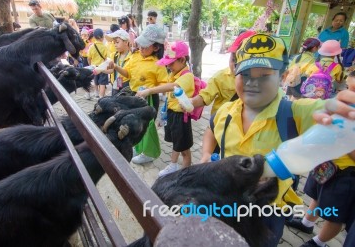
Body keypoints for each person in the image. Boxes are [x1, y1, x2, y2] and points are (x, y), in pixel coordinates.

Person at [201, 33, 355, 247]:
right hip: (224, 203)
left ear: (282, 77)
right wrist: (207, 154)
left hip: (268, 212)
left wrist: (342, 113)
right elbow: (210, 130)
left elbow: (332, 113)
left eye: (264, 75)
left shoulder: (295, 113)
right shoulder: (226, 110)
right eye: (245, 73)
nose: (252, 82)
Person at [109, 24, 168, 164]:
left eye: (145, 46)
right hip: (134, 95)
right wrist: (116, 67)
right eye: (140, 44)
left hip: (149, 98)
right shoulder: (135, 57)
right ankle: (138, 147)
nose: (141, 48)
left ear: (156, 47)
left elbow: (165, 85)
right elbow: (128, 74)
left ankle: (149, 152)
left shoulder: (158, 64)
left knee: (147, 126)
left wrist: (149, 90)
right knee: (135, 123)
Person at [136, 41, 194, 176]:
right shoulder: (174, 73)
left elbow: (172, 87)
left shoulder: (187, 76)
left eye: (171, 63)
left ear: (182, 59)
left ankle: (184, 173)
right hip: (172, 113)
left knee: (184, 148)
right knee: (177, 143)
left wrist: (150, 91)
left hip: (181, 117)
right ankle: (174, 166)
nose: (168, 66)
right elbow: (168, 92)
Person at [191, 30, 256, 116]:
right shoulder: (220, 77)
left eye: (242, 61)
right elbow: (205, 96)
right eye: (233, 59)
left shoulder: (259, 83)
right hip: (220, 123)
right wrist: (190, 102)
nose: (235, 66)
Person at [103, 29, 132, 95]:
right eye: (114, 42)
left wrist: (116, 66)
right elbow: (111, 70)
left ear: (126, 42)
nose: (115, 45)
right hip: (115, 85)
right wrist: (101, 69)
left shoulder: (132, 57)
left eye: (117, 42)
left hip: (127, 87)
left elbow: (128, 74)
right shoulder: (114, 55)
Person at [88, 28, 108, 99]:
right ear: (101, 37)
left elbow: (89, 58)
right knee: (102, 82)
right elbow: (106, 58)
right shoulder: (105, 47)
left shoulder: (91, 47)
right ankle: (101, 96)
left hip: (94, 67)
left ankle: (96, 92)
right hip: (102, 67)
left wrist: (90, 65)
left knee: (96, 81)